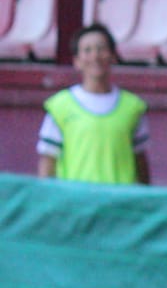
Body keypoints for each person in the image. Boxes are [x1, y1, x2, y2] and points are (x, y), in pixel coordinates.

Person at [36, 23, 150, 185]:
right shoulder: (60, 107)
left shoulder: (132, 108)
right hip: (76, 205)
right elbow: (47, 164)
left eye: (101, 49)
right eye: (87, 50)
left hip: (119, 206)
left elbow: (141, 164)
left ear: (113, 56)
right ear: (77, 61)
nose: (95, 56)